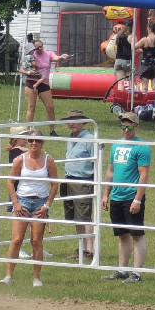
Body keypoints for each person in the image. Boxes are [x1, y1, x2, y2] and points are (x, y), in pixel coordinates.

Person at [0, 130, 58, 287]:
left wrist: (47, 205)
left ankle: (36, 277)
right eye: (30, 140)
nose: (33, 143)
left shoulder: (48, 160)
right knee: (17, 239)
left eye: (37, 141)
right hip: (23, 201)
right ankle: (8, 276)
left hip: (40, 203)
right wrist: (16, 203)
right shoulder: (20, 159)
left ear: (42, 142)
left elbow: (54, 184)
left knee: (36, 240)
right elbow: (10, 182)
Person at [102, 112, 151, 284]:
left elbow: (143, 175)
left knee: (137, 234)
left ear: (136, 127)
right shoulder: (116, 145)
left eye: (129, 126)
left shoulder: (142, 147)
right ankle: (122, 270)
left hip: (131, 196)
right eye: (123, 126)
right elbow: (111, 171)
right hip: (116, 195)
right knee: (122, 234)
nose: (125, 130)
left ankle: (137, 273)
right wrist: (106, 194)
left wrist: (137, 199)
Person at [61, 110, 96, 261]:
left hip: (83, 181)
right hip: (69, 180)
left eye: (75, 120)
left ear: (83, 122)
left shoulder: (90, 139)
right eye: (69, 120)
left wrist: (94, 182)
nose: (71, 123)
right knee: (76, 217)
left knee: (84, 217)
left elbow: (96, 162)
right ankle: (82, 248)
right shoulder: (71, 138)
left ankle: (90, 250)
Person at [19, 40, 70, 135]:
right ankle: (29, 131)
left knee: (50, 108)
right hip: (31, 82)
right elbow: (21, 69)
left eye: (41, 46)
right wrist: (28, 72)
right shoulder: (30, 55)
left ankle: (52, 131)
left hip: (43, 83)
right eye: (37, 47)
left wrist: (61, 57)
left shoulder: (48, 54)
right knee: (31, 107)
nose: (40, 48)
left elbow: (55, 58)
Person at [136, 22, 155, 92]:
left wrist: (134, 40)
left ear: (150, 29)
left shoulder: (145, 39)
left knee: (144, 87)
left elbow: (134, 46)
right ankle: (154, 101)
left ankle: (144, 102)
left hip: (146, 65)